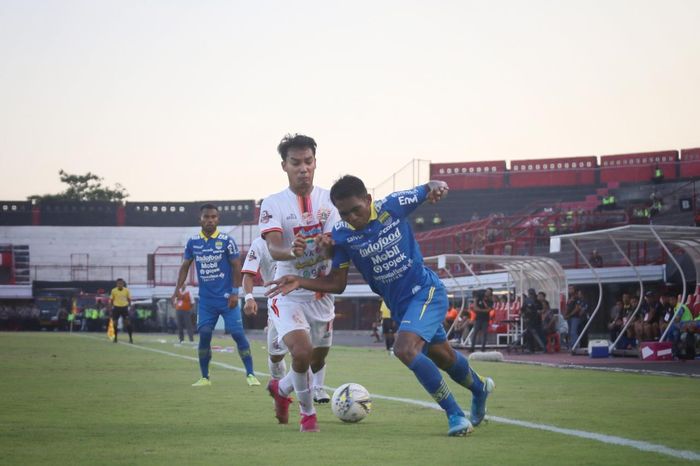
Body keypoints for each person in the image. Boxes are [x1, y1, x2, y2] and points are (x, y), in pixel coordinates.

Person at [267, 175, 494, 437]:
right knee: (444, 357)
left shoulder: (393, 205)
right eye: (344, 213)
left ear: (368, 199)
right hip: (401, 307)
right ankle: (479, 388)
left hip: (426, 292)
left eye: (356, 209)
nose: (352, 217)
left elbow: (427, 188)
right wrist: (300, 281)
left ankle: (455, 414)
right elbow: (337, 284)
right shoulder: (341, 235)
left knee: (404, 349)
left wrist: (437, 187)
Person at [259, 133, 339, 432]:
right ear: (284, 166)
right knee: (302, 353)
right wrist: (290, 250)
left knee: (316, 360)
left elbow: (337, 243)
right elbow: (274, 246)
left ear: (315, 163)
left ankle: (280, 390)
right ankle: (308, 416)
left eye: (308, 162)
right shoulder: (273, 203)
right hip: (287, 291)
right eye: (296, 163)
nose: (303, 168)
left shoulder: (330, 200)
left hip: (320, 294)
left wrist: (327, 242)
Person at [173, 204, 260, 388]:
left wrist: (235, 292)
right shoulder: (193, 242)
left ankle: (251, 374)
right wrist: (177, 289)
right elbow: (185, 266)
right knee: (204, 334)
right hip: (206, 301)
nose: (210, 220)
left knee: (237, 334)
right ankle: (205, 377)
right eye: (206, 217)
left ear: (218, 219)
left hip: (228, 298)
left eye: (213, 217)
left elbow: (237, 266)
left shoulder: (227, 240)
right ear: (200, 219)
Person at [241, 236, 289, 381]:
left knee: (304, 350)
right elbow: (248, 274)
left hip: (301, 298)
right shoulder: (259, 244)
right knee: (275, 355)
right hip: (277, 302)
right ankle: (280, 387)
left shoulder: (295, 234)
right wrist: (248, 297)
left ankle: (313, 390)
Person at [109, 278, 133, 344]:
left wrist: (130, 307)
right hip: (116, 308)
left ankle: (130, 338)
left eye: (121, 283)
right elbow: (111, 300)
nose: (120, 284)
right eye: (119, 283)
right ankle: (115, 338)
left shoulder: (126, 290)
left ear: (123, 284)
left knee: (127, 323)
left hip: (124, 308)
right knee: (115, 323)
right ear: (117, 284)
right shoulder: (113, 291)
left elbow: (129, 299)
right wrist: (111, 308)